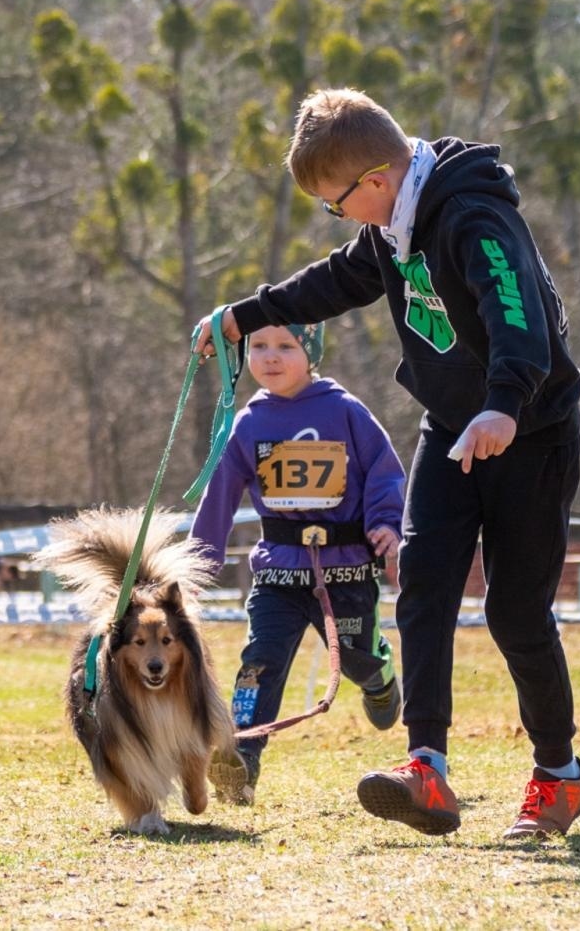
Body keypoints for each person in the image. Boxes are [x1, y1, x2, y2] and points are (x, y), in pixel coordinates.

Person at [197, 88, 580, 839]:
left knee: (514, 612)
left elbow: (517, 315)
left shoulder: (473, 216)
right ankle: (426, 767)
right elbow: (341, 279)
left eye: (336, 203)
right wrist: (244, 315)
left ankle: (558, 774)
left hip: (529, 429)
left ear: (375, 179)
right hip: (452, 427)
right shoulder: (394, 225)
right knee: (424, 584)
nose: (340, 217)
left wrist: (504, 404)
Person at [192, 321, 405, 806]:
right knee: (258, 663)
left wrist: (387, 523)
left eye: (286, 346)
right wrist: (200, 561)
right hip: (277, 572)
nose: (270, 356)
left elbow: (384, 470)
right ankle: (241, 759)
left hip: (346, 566)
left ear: (310, 353)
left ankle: (380, 678)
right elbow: (219, 493)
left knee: (356, 658)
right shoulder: (247, 422)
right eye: (260, 346)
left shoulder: (345, 411)